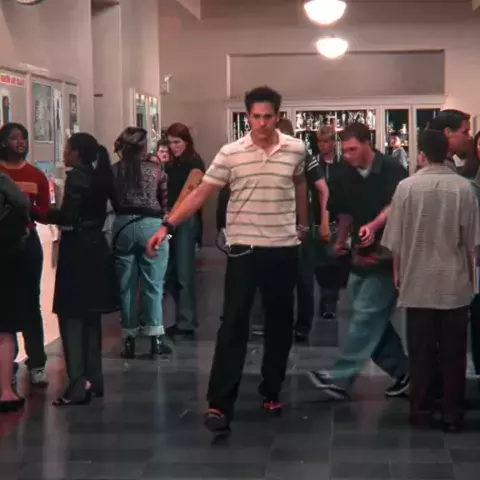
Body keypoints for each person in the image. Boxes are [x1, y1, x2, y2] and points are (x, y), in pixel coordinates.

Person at [147, 86, 309, 437]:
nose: (262, 123)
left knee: (280, 324)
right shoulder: (231, 153)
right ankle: (220, 403)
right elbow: (201, 193)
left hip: (282, 248)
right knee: (233, 323)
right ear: (247, 117)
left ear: (278, 117)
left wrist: (304, 224)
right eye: (256, 117)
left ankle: (271, 388)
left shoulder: (296, 149)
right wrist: (168, 226)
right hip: (243, 250)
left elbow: (299, 183)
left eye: (268, 117)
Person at [382, 129, 480, 432]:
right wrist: (471, 281)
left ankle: (421, 410)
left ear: (422, 154)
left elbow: (396, 240)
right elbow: (472, 245)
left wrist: (398, 273)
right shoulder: (464, 188)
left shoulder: (406, 188)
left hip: (417, 280)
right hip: (454, 281)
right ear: (447, 153)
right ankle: (452, 413)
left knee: (421, 350)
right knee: (453, 353)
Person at [308, 122, 410, 400]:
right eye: (346, 150)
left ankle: (341, 378)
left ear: (367, 144)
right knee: (367, 318)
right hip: (359, 255)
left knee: (367, 315)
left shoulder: (391, 169)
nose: (349, 155)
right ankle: (405, 373)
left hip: (388, 254)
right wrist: (341, 240)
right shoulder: (345, 172)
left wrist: (374, 226)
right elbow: (344, 210)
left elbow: (396, 205)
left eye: (353, 149)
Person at [38, 133, 119, 405]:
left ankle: (77, 383)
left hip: (77, 250)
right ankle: (94, 378)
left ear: (78, 153)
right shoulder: (100, 176)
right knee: (91, 317)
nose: (64, 153)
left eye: (68, 149)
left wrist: (39, 212)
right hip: (97, 247)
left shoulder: (76, 178)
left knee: (71, 315)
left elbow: (69, 216)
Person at [112, 127, 171, 358]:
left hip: (123, 226)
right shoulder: (157, 170)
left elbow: (113, 200)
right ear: (144, 146)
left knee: (126, 286)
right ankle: (156, 339)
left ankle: (128, 341)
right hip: (151, 226)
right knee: (153, 284)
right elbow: (164, 201)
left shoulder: (115, 170)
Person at [0, 123, 50, 387]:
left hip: (27, 241)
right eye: (14, 138)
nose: (20, 142)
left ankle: (37, 362)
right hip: (2, 244)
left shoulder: (36, 174)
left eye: (24, 138)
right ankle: (7, 362)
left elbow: (45, 210)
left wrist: (27, 209)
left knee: (31, 301)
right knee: (4, 305)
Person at [164, 123, 205, 339]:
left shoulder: (194, 163)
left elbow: (191, 196)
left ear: (186, 142)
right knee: (172, 271)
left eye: (177, 142)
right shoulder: (173, 163)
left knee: (184, 272)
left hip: (185, 219)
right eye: (170, 142)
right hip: (172, 218)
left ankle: (186, 321)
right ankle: (183, 319)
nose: (173, 146)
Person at [0, 171, 30, 412]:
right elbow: (22, 204)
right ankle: (5, 391)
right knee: (4, 328)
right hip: (5, 257)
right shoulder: (3, 181)